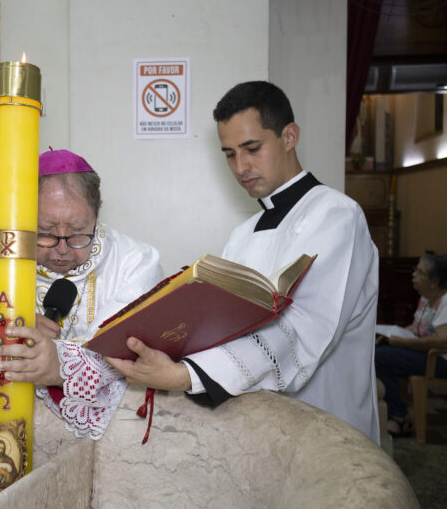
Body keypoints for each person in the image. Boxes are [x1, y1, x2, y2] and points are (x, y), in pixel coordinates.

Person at [107, 81, 381, 443]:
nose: (241, 166)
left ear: (289, 136)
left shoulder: (336, 215)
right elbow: (220, 324)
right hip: (257, 427)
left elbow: (303, 331)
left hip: (327, 422)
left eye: (252, 148)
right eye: (229, 153)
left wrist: (186, 375)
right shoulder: (243, 233)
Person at [0, 149, 163, 440]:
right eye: (45, 231)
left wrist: (60, 365)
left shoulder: (134, 260)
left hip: (98, 440)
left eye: (78, 231)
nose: (62, 248)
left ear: (98, 210)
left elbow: (126, 345)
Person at [375, 253, 447, 436]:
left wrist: (402, 341)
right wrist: (389, 333)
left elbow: (442, 340)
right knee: (378, 350)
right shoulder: (426, 298)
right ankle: (392, 410)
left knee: (381, 358)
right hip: (424, 352)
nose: (413, 274)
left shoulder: (445, 302)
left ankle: (399, 418)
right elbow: (417, 328)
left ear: (435, 282)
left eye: (420, 272)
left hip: (438, 359)